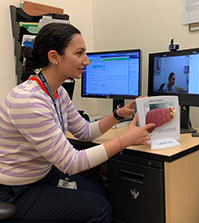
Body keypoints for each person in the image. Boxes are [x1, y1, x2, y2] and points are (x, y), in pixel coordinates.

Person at [0, 23, 155, 223]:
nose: (87, 61)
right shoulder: (28, 100)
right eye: (80, 53)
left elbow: (84, 131)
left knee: (101, 190)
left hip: (42, 176)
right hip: (16, 191)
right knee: (99, 209)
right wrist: (125, 140)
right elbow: (71, 163)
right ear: (54, 57)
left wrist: (118, 114)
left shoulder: (57, 92)